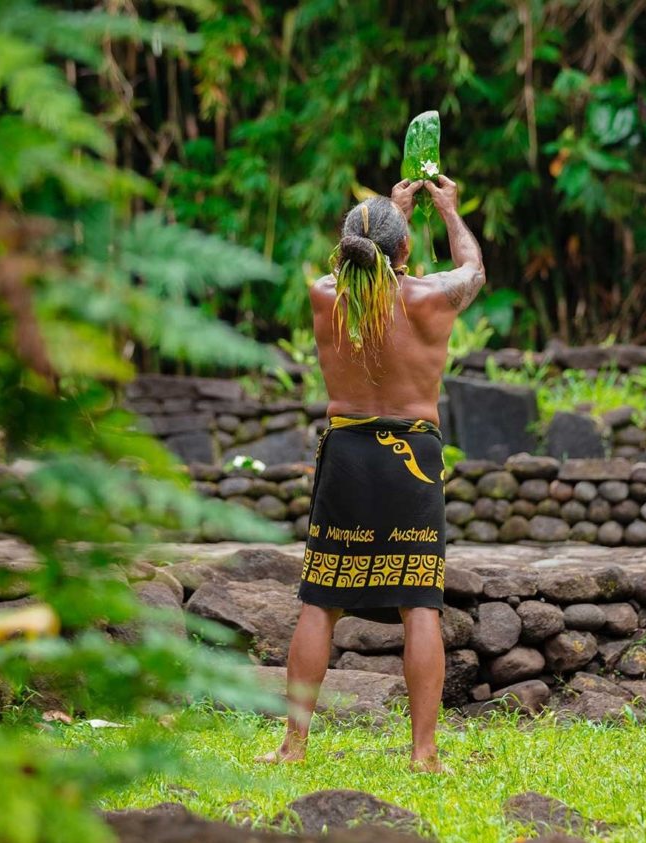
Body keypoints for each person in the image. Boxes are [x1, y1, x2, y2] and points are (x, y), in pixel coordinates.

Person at [255, 174, 485, 773]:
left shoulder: (323, 294)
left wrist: (386, 215)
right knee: (419, 607)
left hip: (349, 456)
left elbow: (360, 264)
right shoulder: (431, 297)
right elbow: (473, 269)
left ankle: (293, 747)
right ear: (405, 249)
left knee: (320, 603)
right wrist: (449, 211)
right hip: (410, 459)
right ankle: (424, 753)